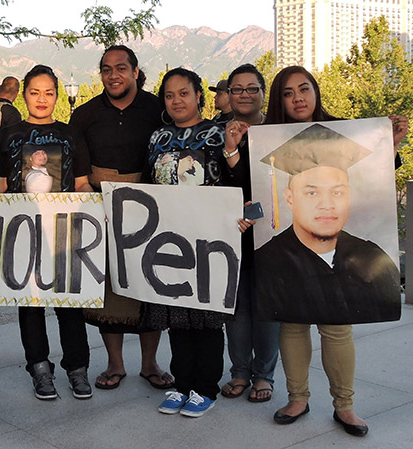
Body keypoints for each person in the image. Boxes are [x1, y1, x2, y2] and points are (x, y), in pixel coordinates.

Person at [254, 65, 408, 436]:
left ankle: (345, 405)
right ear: (290, 197)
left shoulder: (343, 133)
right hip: (290, 250)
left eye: (304, 89)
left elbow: (378, 172)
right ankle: (298, 398)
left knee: (337, 328)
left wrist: (392, 145)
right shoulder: (265, 140)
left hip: (341, 252)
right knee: (292, 324)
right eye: (288, 93)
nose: (298, 98)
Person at [0, 64, 94, 400]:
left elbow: (82, 184)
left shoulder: (71, 134)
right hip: (22, 233)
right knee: (29, 304)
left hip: (64, 233)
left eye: (48, 93)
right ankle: (40, 369)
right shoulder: (9, 135)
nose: (41, 99)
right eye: (34, 92)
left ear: (57, 96)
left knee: (69, 303)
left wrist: (96, 212)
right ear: (24, 94)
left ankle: (78, 369)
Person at [69, 44, 172, 392]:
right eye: (106, 69)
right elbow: (77, 168)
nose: (113, 75)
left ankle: (150, 364)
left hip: (153, 209)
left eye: (121, 68)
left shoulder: (159, 109)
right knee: (109, 289)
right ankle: (115, 364)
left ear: (136, 72)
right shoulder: (84, 115)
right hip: (102, 209)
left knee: (151, 285)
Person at [147, 68, 231, 418]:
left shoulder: (219, 133)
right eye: (169, 95)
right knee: (176, 316)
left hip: (211, 238)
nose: (176, 100)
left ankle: (206, 388)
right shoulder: (156, 138)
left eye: (184, 93)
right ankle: (182, 385)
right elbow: (145, 186)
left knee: (207, 316)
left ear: (199, 95)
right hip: (168, 239)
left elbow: (236, 180)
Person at [218, 64, 280, 403]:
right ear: (228, 94)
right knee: (237, 305)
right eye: (237, 88)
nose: (244, 94)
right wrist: (230, 148)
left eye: (251, 88)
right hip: (234, 231)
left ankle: (264, 375)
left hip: (273, 232)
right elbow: (222, 183)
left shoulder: (278, 131)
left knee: (268, 307)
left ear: (262, 93)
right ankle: (239, 372)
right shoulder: (216, 132)